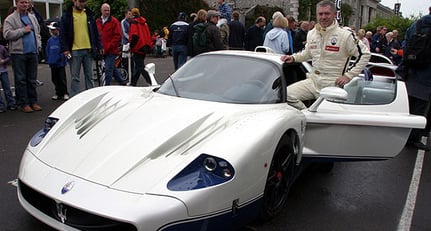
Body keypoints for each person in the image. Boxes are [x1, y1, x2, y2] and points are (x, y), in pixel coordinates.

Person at [280, 0, 370, 110]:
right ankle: (306, 114)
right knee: (285, 95)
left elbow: (365, 54)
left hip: (332, 85)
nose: (323, 17)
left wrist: (348, 75)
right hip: (313, 81)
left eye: (327, 13)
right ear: (317, 15)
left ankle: (309, 116)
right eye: (320, 14)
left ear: (334, 14)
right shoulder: (312, 33)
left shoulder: (345, 35)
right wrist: (293, 58)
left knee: (326, 117)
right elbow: (307, 53)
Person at [3, 0, 42, 113]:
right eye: (22, 2)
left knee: (32, 79)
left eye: (26, 2)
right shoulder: (10, 18)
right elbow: (6, 34)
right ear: (17, 3)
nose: (25, 4)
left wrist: (38, 45)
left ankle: (33, 101)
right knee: (21, 79)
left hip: (32, 52)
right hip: (18, 53)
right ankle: (24, 103)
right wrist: (22, 31)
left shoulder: (32, 17)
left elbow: (37, 32)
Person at [60, 0, 103, 96]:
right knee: (75, 77)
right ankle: (75, 97)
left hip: (88, 49)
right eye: (80, 1)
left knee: (90, 76)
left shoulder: (88, 14)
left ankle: (90, 96)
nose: (82, 4)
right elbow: (62, 34)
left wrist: (99, 45)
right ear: (74, 1)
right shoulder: (67, 16)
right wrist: (65, 48)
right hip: (74, 50)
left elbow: (96, 32)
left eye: (84, 2)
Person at [404, 7, 431, 150]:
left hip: (412, 70)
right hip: (427, 75)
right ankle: (414, 138)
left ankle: (404, 136)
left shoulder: (417, 24)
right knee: (421, 110)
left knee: (409, 107)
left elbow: (406, 43)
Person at [96, 3, 125, 86]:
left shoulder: (114, 22)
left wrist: (108, 47)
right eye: (105, 10)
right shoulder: (97, 22)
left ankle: (107, 86)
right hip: (101, 50)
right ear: (101, 11)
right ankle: (122, 82)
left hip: (111, 50)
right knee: (112, 67)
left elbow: (118, 36)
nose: (107, 12)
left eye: (108, 10)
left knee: (108, 69)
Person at [129, 7, 152, 86]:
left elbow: (134, 36)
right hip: (144, 46)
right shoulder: (144, 23)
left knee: (140, 66)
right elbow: (148, 34)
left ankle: (150, 81)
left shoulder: (134, 23)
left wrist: (131, 46)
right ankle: (133, 82)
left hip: (138, 47)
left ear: (132, 14)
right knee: (138, 67)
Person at [46, 22, 69, 100]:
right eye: (51, 30)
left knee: (62, 79)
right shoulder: (50, 40)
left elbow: (64, 50)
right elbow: (48, 50)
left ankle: (65, 92)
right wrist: (49, 59)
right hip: (53, 63)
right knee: (54, 79)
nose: (52, 31)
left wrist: (62, 58)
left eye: (53, 29)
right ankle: (58, 93)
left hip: (60, 63)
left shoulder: (61, 39)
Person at [0, 43, 17, 112]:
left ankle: (11, 104)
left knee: (7, 88)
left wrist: (3, 61)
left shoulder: (1, 47)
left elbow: (8, 57)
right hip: (3, 70)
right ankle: (1, 106)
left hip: (3, 71)